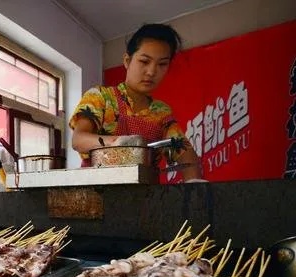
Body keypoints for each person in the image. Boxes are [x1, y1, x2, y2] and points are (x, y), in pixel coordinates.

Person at [70, 23, 205, 182]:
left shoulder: (161, 112)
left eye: (162, 64)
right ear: (127, 61)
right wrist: (118, 143)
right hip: (97, 193)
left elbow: (186, 154)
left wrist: (194, 185)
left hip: (146, 198)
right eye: (144, 61)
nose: (151, 72)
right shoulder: (101, 97)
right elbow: (78, 139)